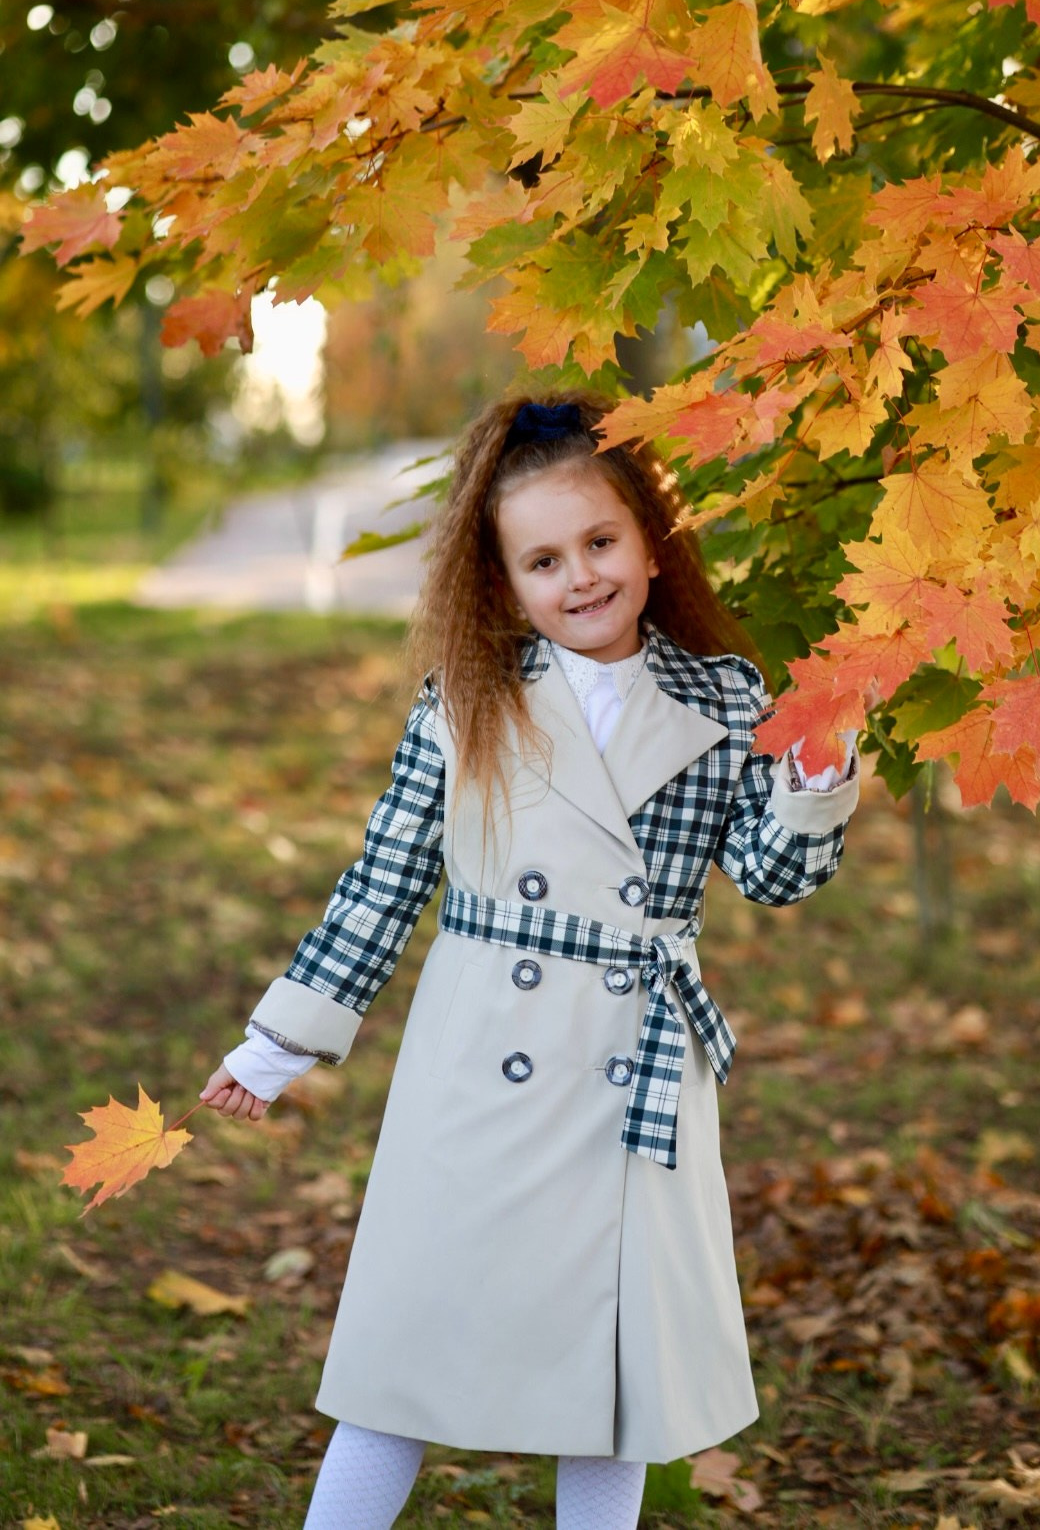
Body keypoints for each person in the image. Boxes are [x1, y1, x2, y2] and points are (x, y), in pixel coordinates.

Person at [200, 391, 862, 1530]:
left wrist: (811, 783)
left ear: (650, 544)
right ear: (505, 584)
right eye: (545, 560)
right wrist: (278, 1045)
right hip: (477, 1075)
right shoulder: (469, 702)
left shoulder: (727, 697)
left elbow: (767, 877)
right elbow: (385, 880)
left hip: (633, 1066)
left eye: (601, 543)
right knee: (401, 1356)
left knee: (610, 1379)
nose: (582, 577)